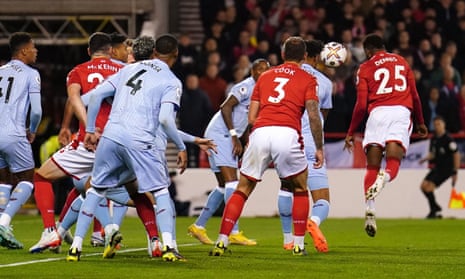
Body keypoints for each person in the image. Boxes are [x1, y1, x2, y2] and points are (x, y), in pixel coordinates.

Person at [66, 34, 188, 262]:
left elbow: (92, 98)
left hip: (111, 136)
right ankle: (168, 246)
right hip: (140, 140)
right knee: (160, 191)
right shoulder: (171, 81)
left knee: (95, 190)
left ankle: (75, 247)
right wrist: (181, 146)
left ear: (153, 53)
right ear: (176, 54)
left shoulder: (126, 70)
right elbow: (165, 120)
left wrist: (90, 129)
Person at [209, 36, 324, 257]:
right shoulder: (308, 78)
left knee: (242, 189)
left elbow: (251, 117)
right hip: (287, 133)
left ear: (282, 55)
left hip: (261, 132)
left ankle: (222, 241)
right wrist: (319, 147)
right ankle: (298, 245)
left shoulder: (265, 76)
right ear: (304, 56)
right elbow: (313, 115)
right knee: (299, 188)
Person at [30, 32, 124, 253]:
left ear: (89, 51)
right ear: (111, 51)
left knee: (41, 177)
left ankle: (51, 231)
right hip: (118, 142)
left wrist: (70, 126)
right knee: (95, 186)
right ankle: (155, 236)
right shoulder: (123, 71)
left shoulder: (77, 71)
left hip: (88, 142)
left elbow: (74, 99)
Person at [343, 34, 428, 237]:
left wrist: (350, 131)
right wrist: (420, 121)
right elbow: (415, 95)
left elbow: (361, 105)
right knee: (393, 160)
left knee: (372, 164)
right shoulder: (402, 61)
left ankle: (370, 208)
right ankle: (385, 177)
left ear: (367, 51)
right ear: (383, 47)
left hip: (377, 114)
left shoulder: (364, 68)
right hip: (400, 111)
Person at [187, 58, 270, 246]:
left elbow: (249, 120)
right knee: (233, 182)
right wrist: (234, 136)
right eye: (260, 69)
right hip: (220, 134)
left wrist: (245, 139)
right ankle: (233, 231)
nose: (264, 72)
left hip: (225, 135)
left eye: (267, 69)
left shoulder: (263, 91)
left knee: (223, 185)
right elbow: (226, 107)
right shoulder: (246, 86)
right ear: (252, 72)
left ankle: (198, 226)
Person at [277, 39, 331, 253]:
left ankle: (288, 239)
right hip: (310, 143)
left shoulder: (284, 76)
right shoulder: (325, 82)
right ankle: (314, 222)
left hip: (287, 139)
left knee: (287, 189)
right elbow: (320, 116)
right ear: (315, 57)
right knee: (322, 199)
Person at [0, 32, 42, 249]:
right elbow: (36, 111)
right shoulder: (30, 74)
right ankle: (3, 222)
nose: (36, 51)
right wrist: (32, 130)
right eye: (33, 47)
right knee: (27, 178)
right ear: (24, 50)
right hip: (14, 132)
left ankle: (1, 226)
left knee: (3, 180)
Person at [419, 116, 460, 219]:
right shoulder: (434, 139)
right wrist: (425, 159)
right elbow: (433, 154)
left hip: (446, 169)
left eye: (439, 124)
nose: (437, 126)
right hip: (438, 167)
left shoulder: (448, 139)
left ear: (444, 125)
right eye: (435, 124)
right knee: (423, 186)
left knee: (429, 187)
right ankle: (435, 207)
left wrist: (455, 171)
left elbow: (456, 155)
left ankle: (434, 210)